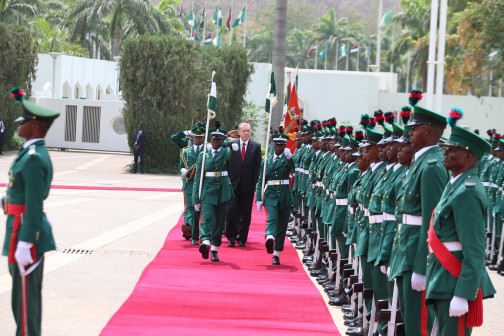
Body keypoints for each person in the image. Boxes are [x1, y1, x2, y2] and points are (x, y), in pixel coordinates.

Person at [426, 125, 496, 336]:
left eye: (452, 149)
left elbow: (474, 250)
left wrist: (463, 294)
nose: (445, 152)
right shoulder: (456, 184)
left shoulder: (468, 191)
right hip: (443, 277)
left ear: (468, 155)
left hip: (454, 281)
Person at [2, 87, 60, 336]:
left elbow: (35, 204)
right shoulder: (29, 153)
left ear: (36, 128)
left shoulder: (35, 158)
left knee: (25, 303)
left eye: (23, 122)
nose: (19, 126)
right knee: (21, 301)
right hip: (18, 224)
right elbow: (19, 193)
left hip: (25, 232)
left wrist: (26, 242)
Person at [396, 105, 449, 336]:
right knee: (409, 319)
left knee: (419, 325)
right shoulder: (420, 162)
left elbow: (431, 221)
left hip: (416, 254)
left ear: (429, 131)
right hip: (406, 248)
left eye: (414, 128)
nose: (410, 133)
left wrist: (421, 266)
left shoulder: (432, 166)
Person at [192, 122, 238, 262]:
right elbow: (198, 178)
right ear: (210, 140)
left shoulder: (226, 153)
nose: (216, 142)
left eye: (219, 140)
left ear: (222, 141)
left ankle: (214, 249)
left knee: (219, 222)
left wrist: (234, 148)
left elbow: (233, 155)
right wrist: (196, 198)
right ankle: (205, 242)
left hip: (222, 191)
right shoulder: (203, 156)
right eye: (214, 139)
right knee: (207, 218)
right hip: (208, 191)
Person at [256, 131, 295, 265]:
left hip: (284, 194)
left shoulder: (287, 159)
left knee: (282, 225)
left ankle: (276, 253)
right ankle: (269, 237)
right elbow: (261, 180)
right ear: (273, 145)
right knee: (272, 217)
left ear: (284, 146)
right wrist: (259, 198)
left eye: (281, 145)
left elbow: (293, 170)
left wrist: (290, 159)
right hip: (271, 194)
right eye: (277, 145)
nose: (279, 147)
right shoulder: (266, 161)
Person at [225, 122, 261, 247]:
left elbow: (258, 167)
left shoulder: (256, 146)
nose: (246, 133)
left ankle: (242, 238)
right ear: (239, 132)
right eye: (244, 131)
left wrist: (257, 183)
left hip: (248, 184)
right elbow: (226, 163)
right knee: (231, 210)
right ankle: (231, 236)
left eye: (248, 131)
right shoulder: (231, 144)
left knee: (245, 212)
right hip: (232, 183)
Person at [177, 122, 205, 244]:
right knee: (190, 208)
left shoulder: (208, 149)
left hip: (203, 184)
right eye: (196, 137)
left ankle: (193, 230)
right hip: (189, 183)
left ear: (204, 137)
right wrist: (183, 170)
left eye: (200, 137)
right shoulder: (185, 151)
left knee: (202, 210)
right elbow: (181, 166)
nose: (198, 139)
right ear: (192, 137)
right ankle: (192, 231)